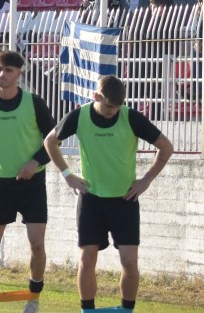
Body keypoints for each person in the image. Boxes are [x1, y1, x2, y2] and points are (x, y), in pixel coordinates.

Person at [44, 75, 174, 313]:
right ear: (96, 97)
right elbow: (50, 142)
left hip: (125, 201)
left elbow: (166, 146)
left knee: (129, 262)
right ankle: (87, 310)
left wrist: (146, 180)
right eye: (109, 107)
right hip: (90, 200)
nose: (113, 112)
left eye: (117, 107)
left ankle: (126, 310)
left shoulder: (131, 117)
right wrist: (67, 174)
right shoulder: (78, 116)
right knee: (86, 259)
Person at [0, 50, 55, 313]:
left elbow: (53, 139)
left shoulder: (34, 103)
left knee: (37, 244)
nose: (2, 75)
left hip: (32, 185)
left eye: (8, 70)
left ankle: (33, 299)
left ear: (19, 75)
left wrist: (35, 162)